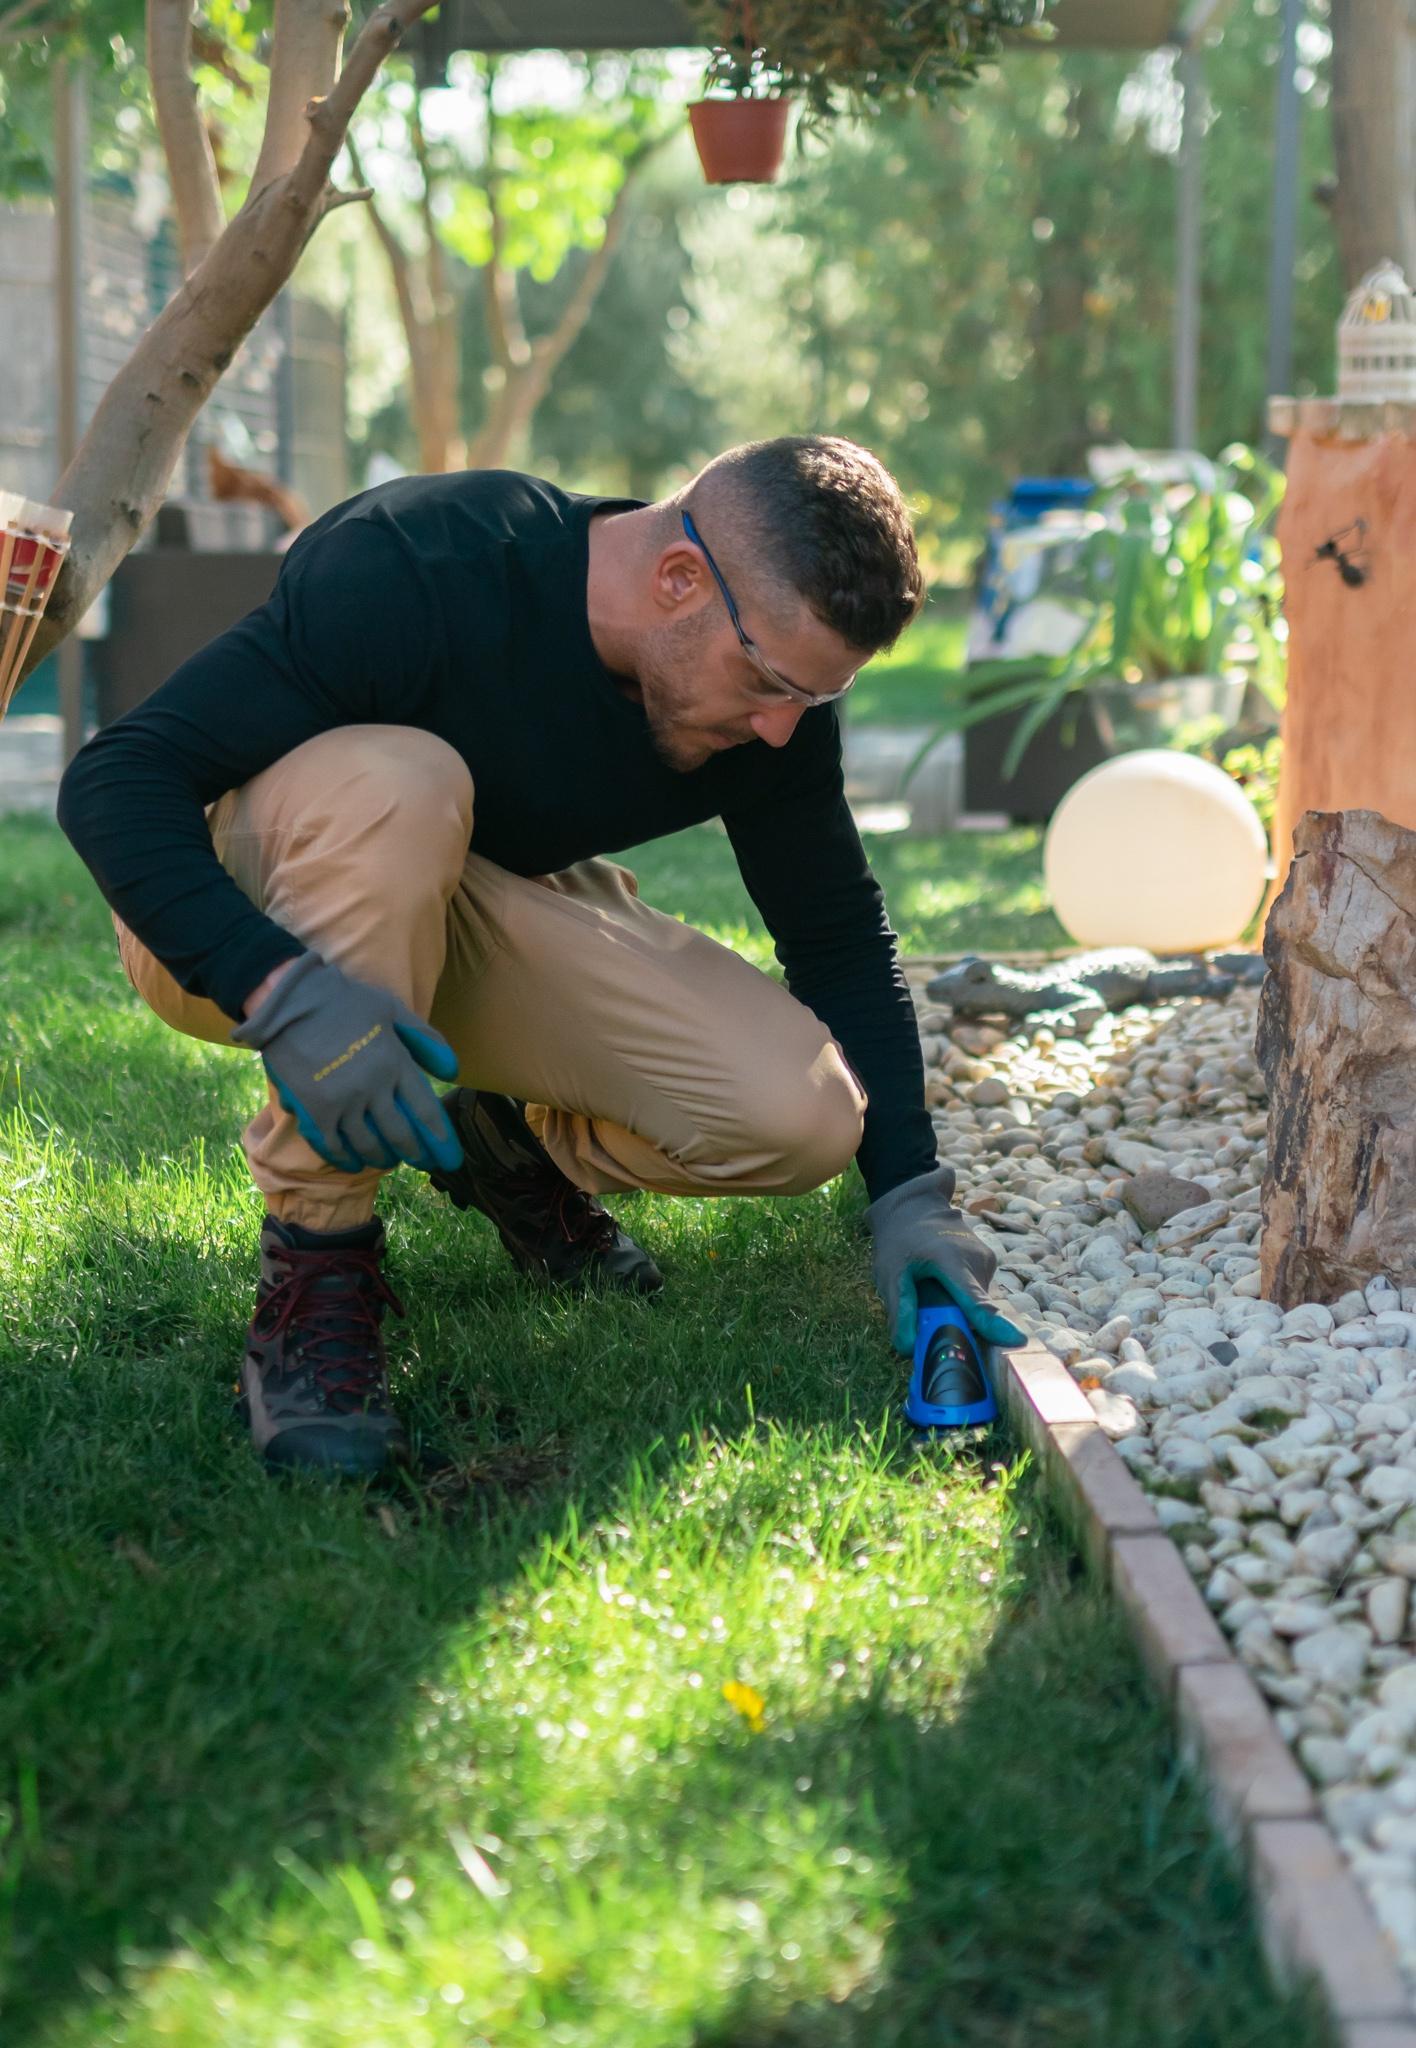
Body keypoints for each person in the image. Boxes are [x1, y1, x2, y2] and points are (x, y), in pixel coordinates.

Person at [57, 435, 1023, 1478]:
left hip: (448, 910)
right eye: (770, 679)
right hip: (239, 918)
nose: (783, 728)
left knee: (803, 1117)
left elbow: (836, 933)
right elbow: (121, 777)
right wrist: (283, 989)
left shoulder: (769, 718)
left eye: (813, 699)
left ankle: (498, 1142)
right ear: (679, 577)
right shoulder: (423, 566)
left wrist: (909, 1194)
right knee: (402, 779)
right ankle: (317, 1260)